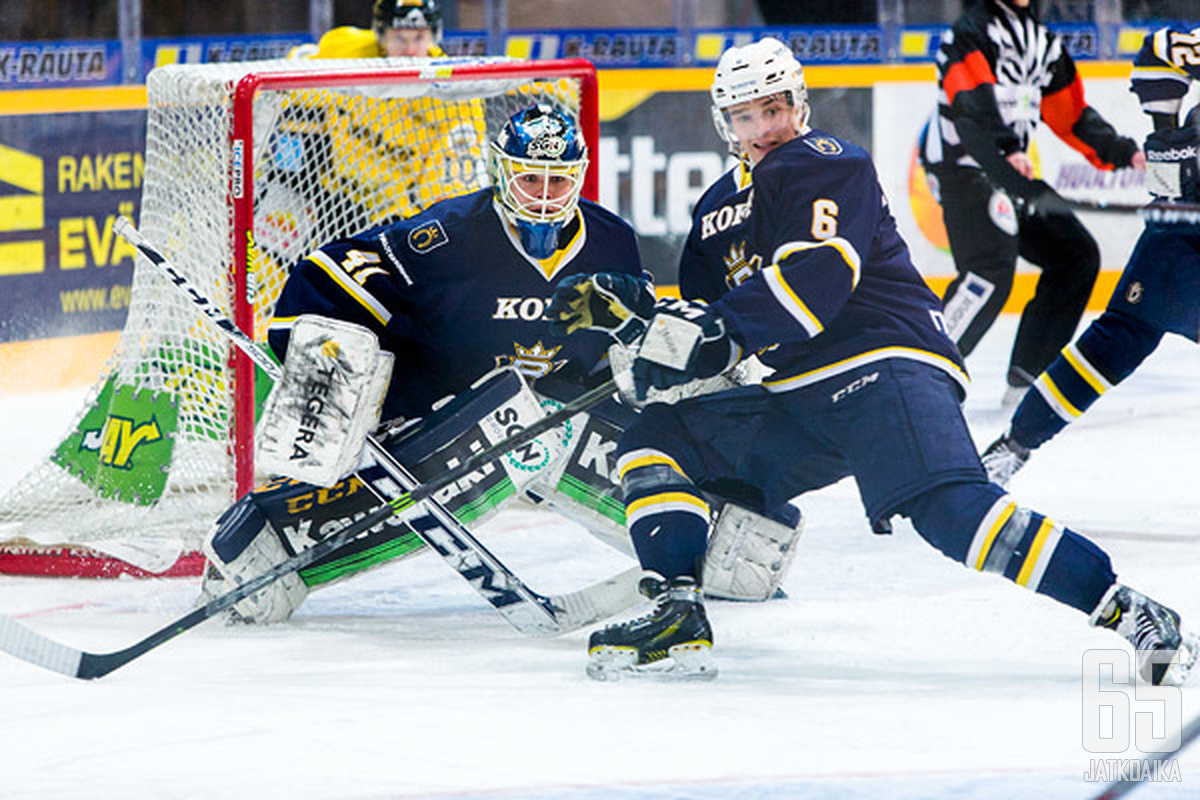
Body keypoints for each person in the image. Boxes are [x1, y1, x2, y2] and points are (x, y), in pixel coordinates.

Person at [551, 37, 1196, 687]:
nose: (764, 127)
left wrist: (713, 333)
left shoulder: (826, 163)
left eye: (774, 108)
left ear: (797, 106)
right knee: (657, 440)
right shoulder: (715, 207)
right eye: (747, 115)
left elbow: (815, 278)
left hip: (883, 363)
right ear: (726, 124)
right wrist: (640, 318)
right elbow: (703, 319)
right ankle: (676, 612)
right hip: (800, 395)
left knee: (953, 516)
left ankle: (1129, 609)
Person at [202, 103, 642, 623]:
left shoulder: (612, 241)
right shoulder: (449, 235)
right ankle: (276, 540)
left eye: (558, 182)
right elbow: (325, 272)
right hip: (436, 407)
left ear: (580, 176)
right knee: (518, 419)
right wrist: (328, 365)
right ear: (503, 174)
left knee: (575, 429)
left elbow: (631, 340)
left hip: (555, 408)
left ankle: (689, 532)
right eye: (530, 181)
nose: (545, 198)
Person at [982, 25, 1200, 485]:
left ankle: (1016, 444)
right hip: (1175, 244)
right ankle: (1016, 444)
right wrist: (1169, 139)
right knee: (1114, 339)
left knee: (1117, 337)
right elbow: (1157, 55)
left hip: (1175, 237)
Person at [920, 0, 1145, 405]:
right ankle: (918, 373)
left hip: (1011, 175)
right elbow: (970, 99)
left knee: (1074, 256)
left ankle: (1027, 379)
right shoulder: (971, 31)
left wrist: (1123, 152)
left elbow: (1070, 114)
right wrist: (1006, 147)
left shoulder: (1041, 42)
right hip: (966, 168)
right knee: (989, 270)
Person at [291, 0, 446, 59]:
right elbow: (299, 59)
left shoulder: (451, 85)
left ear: (433, 37)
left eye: (419, 38)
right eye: (399, 38)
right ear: (381, 35)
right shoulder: (347, 49)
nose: (410, 50)